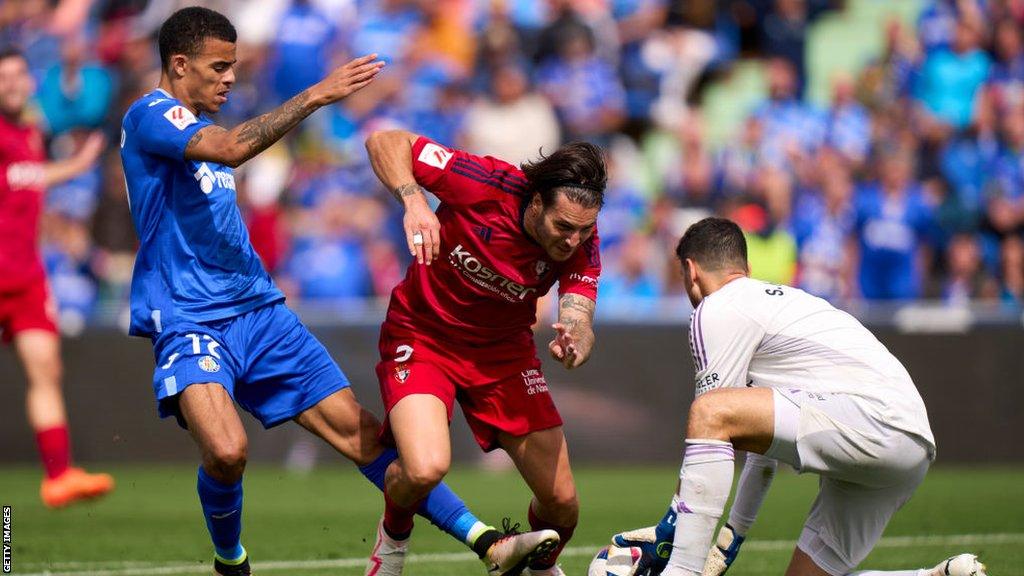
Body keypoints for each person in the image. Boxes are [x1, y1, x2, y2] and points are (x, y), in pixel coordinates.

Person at [120, 8, 549, 576]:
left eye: (234, 67)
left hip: (260, 310)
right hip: (190, 318)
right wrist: (316, 95)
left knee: (364, 435)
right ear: (179, 64)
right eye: (218, 67)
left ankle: (486, 540)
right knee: (226, 452)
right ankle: (231, 561)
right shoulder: (152, 115)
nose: (230, 78)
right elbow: (229, 149)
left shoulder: (195, 121)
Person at [611, 217, 986, 576]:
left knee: (709, 410)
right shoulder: (786, 303)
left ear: (690, 270)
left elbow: (715, 418)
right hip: (912, 441)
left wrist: (672, 525)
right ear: (745, 266)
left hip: (872, 418)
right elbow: (761, 446)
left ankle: (681, 571)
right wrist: (731, 539)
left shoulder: (718, 307)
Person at [364, 129, 607, 576]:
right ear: (536, 203)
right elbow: (385, 141)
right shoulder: (486, 182)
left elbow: (580, 316)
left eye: (584, 229)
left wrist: (576, 341)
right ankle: (391, 546)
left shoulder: (582, 245)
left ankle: (537, 568)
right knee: (424, 468)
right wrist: (414, 201)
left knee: (563, 504)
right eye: (564, 227)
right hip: (422, 338)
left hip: (503, 357)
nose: (573, 240)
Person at [0, 46, 113, 508]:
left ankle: (59, 476)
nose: (12, 83)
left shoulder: (28, 131)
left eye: (18, 75)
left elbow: (27, 185)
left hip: (25, 277)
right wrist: (79, 165)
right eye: (3, 77)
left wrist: (76, 165)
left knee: (47, 369)